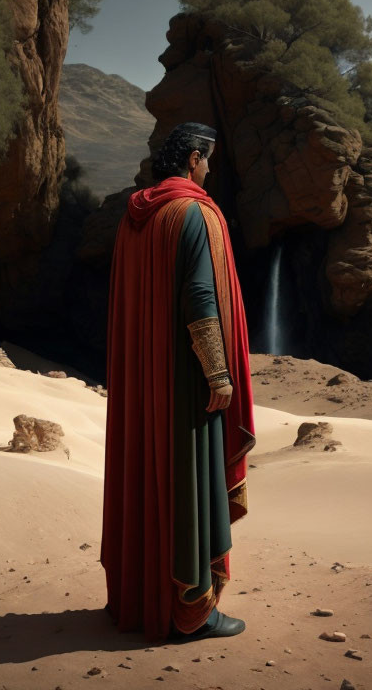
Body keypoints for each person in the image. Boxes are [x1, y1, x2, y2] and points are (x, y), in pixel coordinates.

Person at [101, 122, 256, 642]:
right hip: (184, 381)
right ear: (193, 159)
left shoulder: (133, 217)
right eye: (207, 160)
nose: (209, 170)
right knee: (187, 481)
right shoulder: (192, 212)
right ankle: (192, 612)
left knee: (143, 475)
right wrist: (219, 372)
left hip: (144, 379)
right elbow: (200, 297)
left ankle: (135, 597)